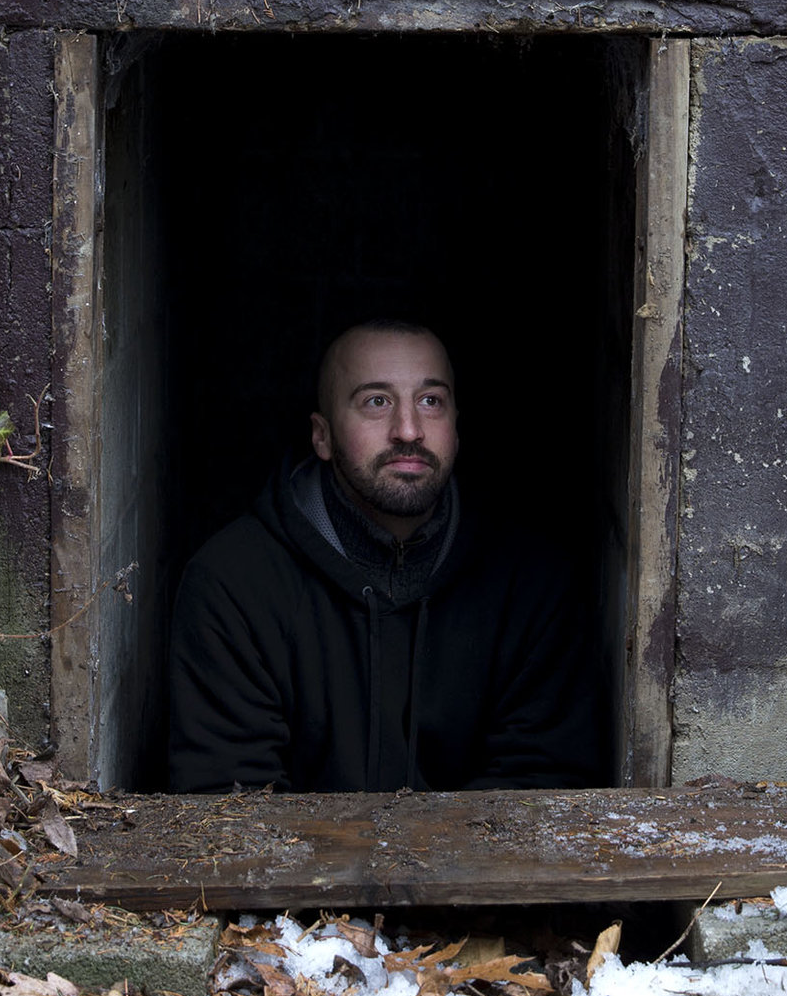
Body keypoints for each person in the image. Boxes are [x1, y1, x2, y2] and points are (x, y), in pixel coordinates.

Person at [164, 319, 604, 793]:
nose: (409, 430)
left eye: (430, 401)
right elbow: (227, 803)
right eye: (377, 401)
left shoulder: (532, 583)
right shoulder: (233, 584)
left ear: (456, 426)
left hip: (478, 868)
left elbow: (543, 786)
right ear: (323, 436)